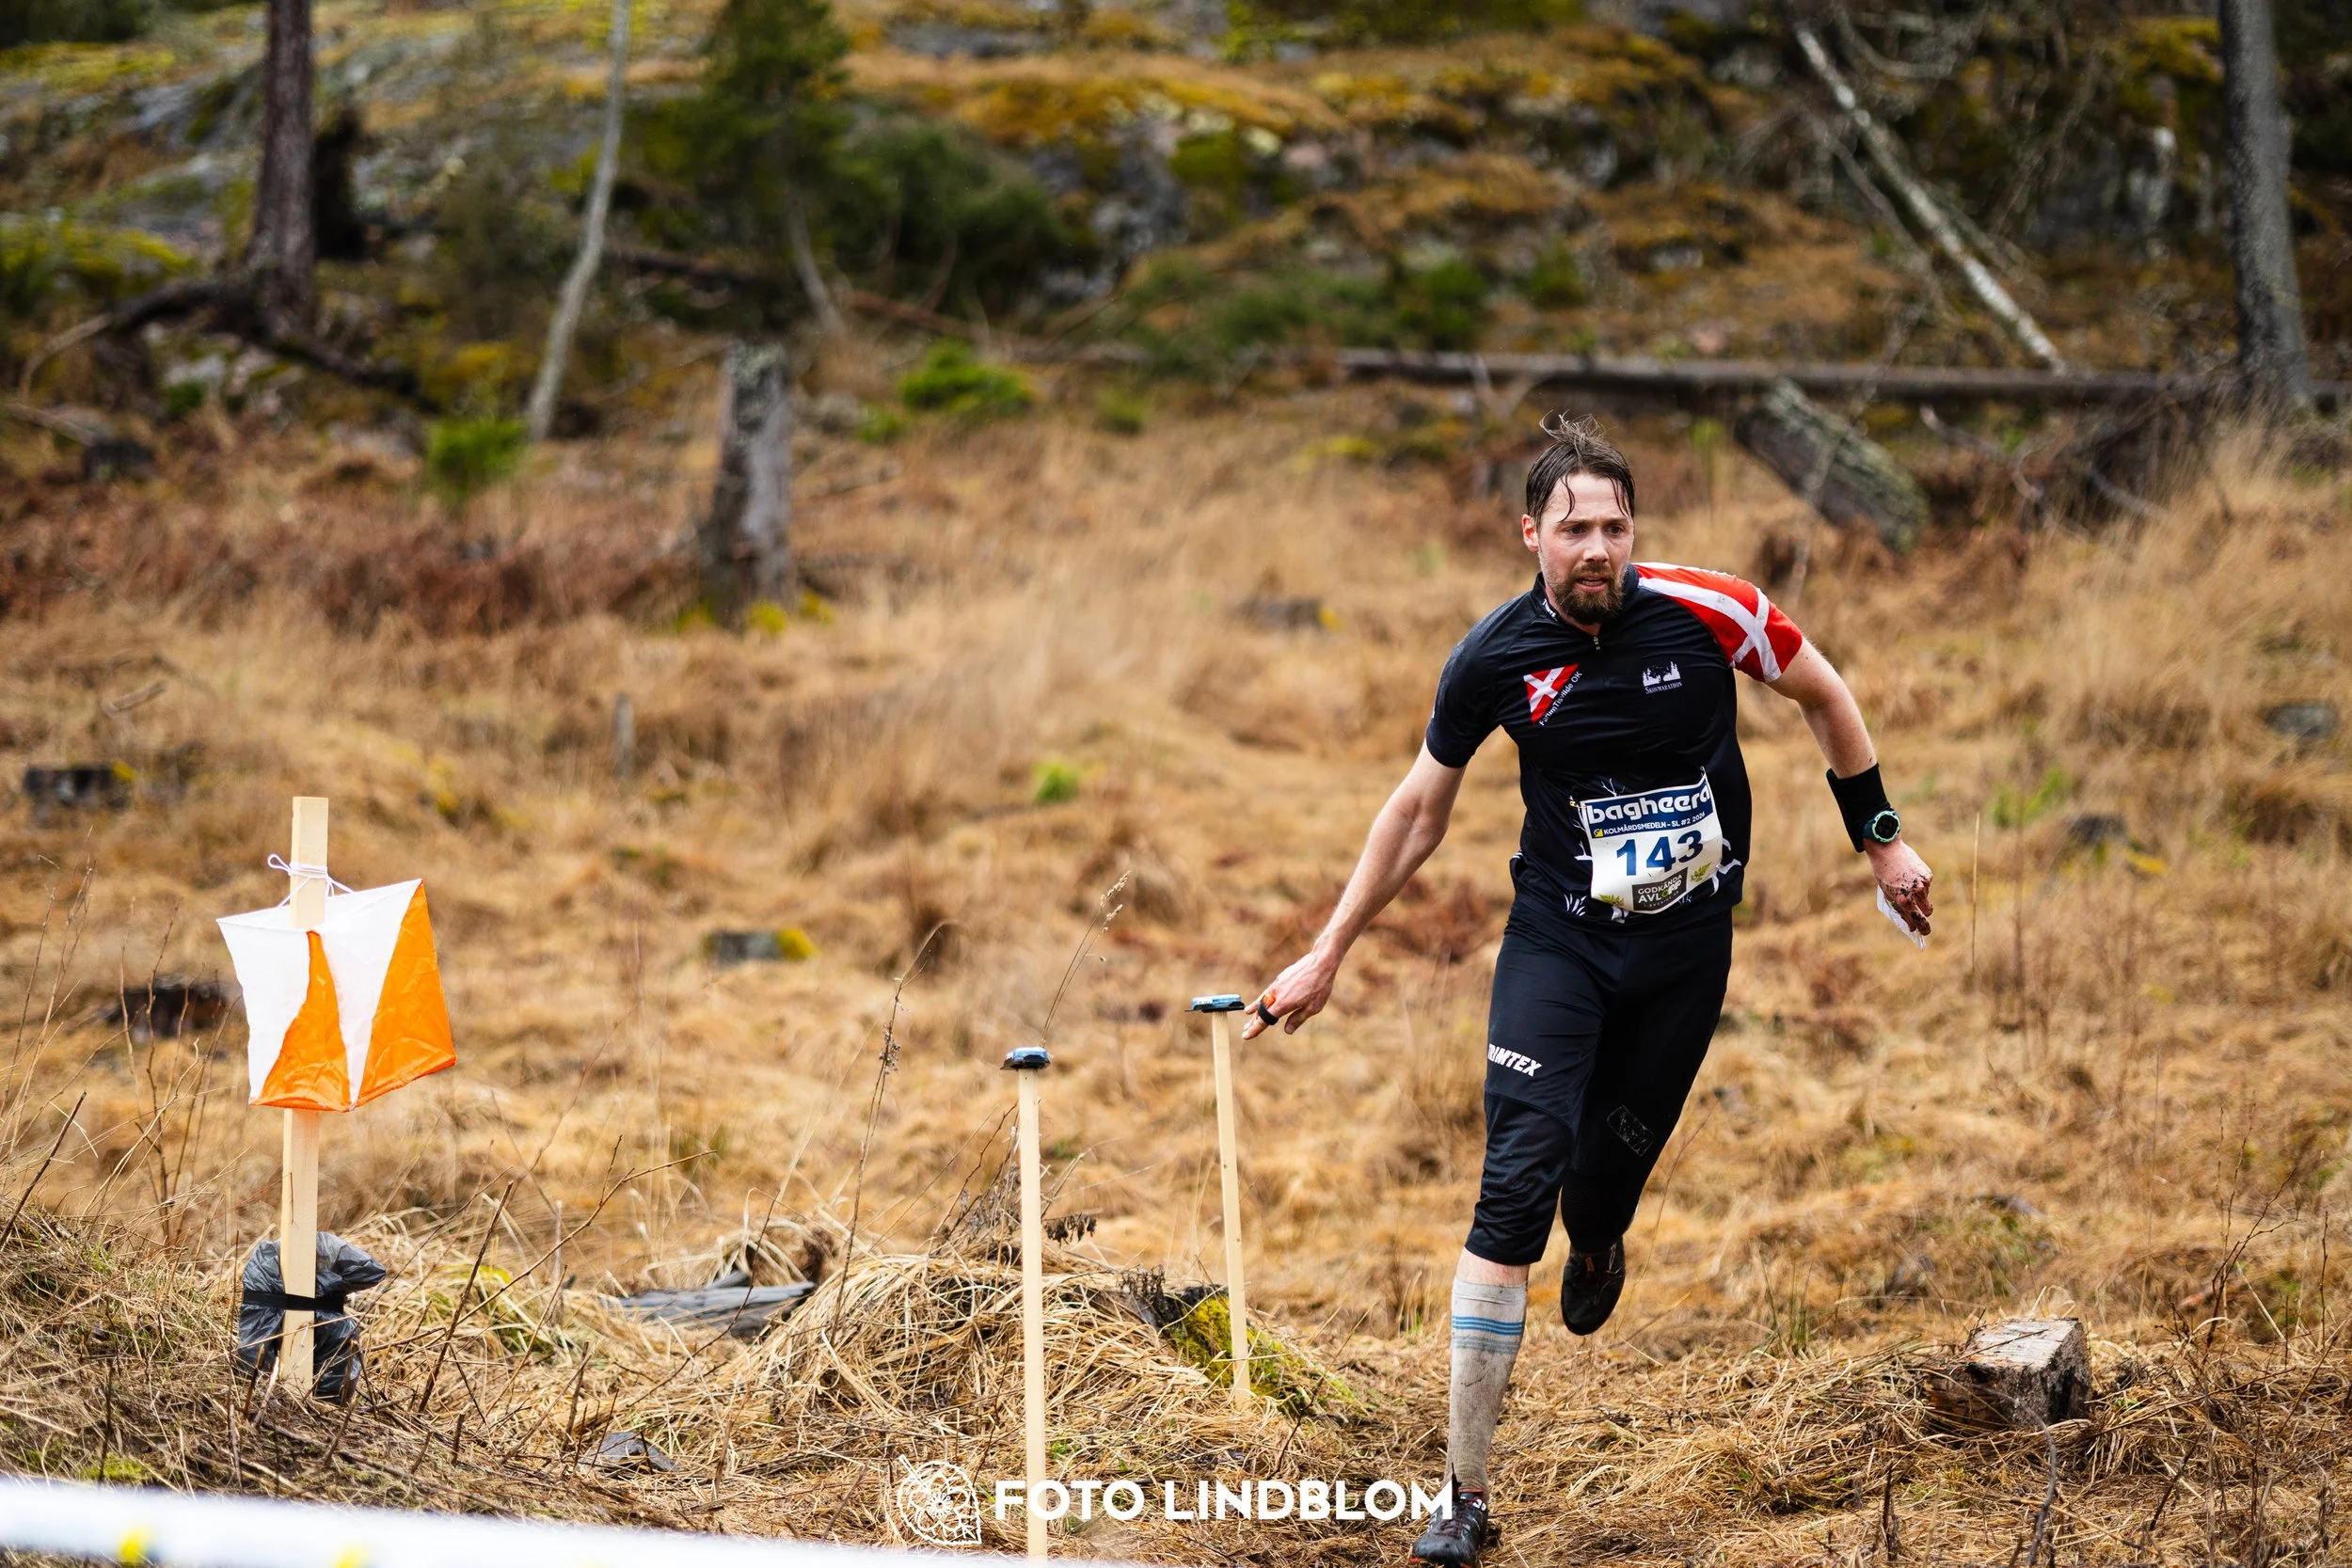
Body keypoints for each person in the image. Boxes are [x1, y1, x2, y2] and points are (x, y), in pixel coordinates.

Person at [1241, 414, 1932, 1566]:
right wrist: (1328, 949)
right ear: (1532, 534)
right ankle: (1463, 1492)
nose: (1598, 545)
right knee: (1513, 1182)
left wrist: (1881, 844)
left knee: (1600, 1178)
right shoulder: (1494, 657)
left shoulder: (1716, 611)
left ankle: (1600, 1232)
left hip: (1684, 951)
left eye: (1616, 524)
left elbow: (1826, 694)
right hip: (1558, 941)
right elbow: (1418, 809)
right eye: (1575, 528)